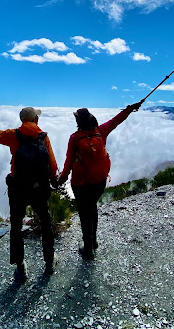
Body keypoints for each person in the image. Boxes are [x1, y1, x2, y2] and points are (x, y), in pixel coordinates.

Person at [0, 106, 59, 283]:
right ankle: (49, 263)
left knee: (16, 227)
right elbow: (51, 164)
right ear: (36, 120)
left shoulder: (13, 135)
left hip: (18, 189)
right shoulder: (43, 137)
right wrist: (55, 180)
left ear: (22, 120)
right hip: (39, 189)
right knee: (45, 224)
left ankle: (21, 268)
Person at [57, 102, 142, 260]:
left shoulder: (75, 138)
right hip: (99, 181)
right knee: (92, 208)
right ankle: (93, 241)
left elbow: (69, 161)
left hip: (81, 183)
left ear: (79, 122)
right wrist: (130, 109)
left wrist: (61, 179)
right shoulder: (100, 131)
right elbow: (116, 120)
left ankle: (88, 249)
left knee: (84, 213)